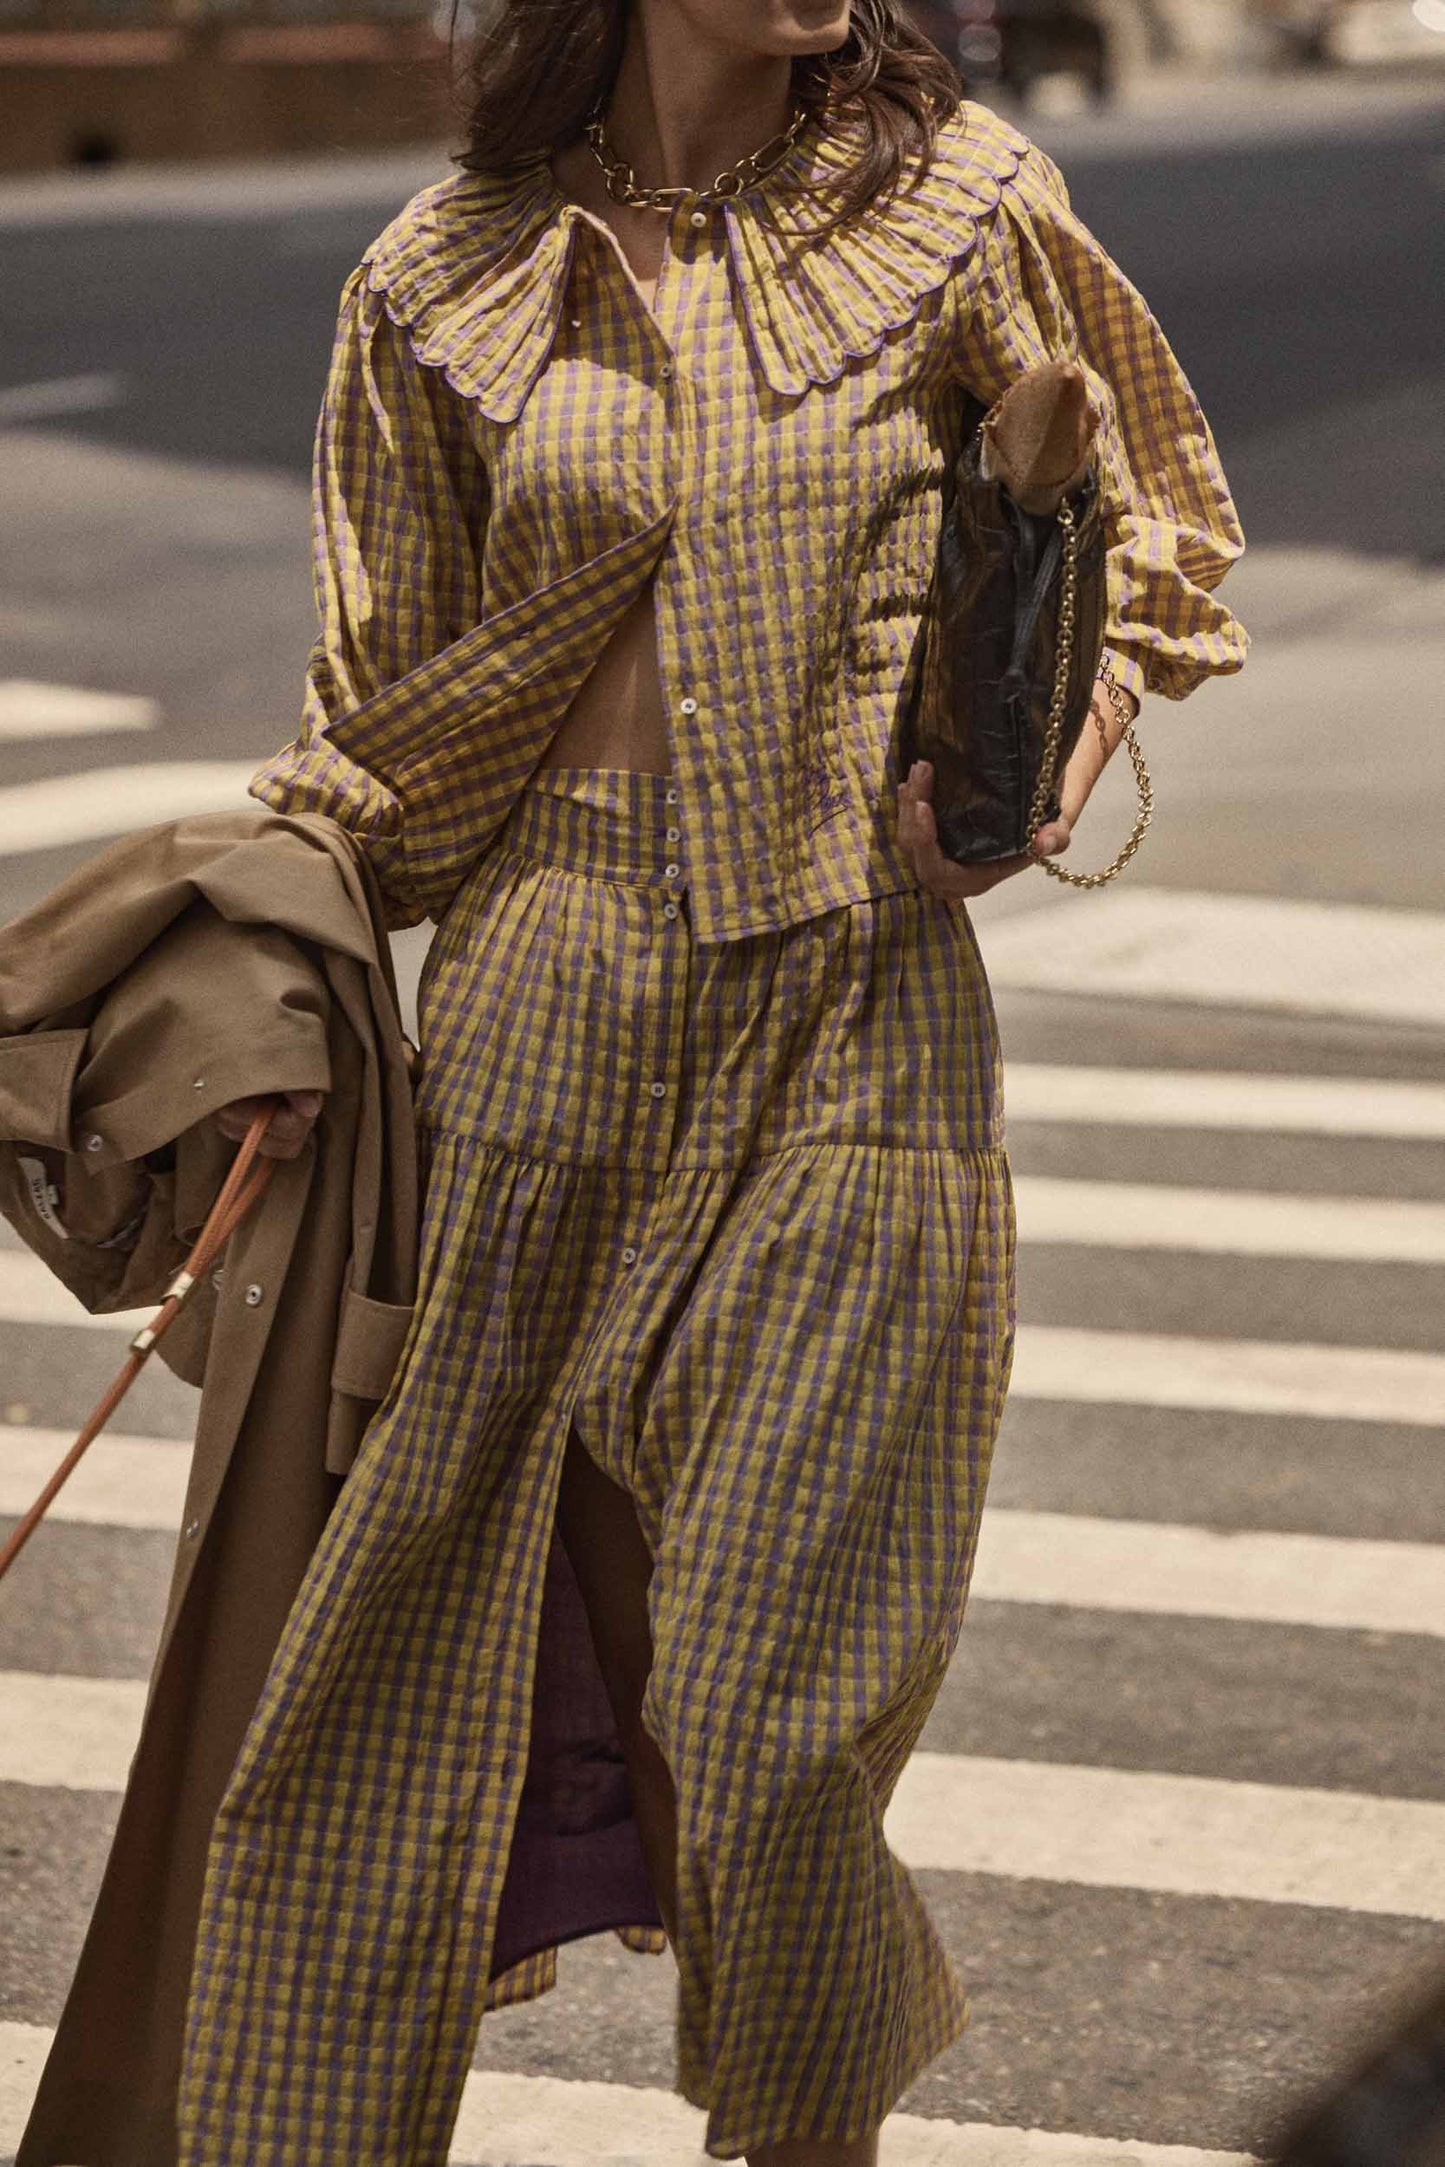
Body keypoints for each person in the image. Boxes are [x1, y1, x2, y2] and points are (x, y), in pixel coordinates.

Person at [191, 3, 1248, 2163]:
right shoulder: (439, 278)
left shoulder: (963, 214)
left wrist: (1041, 749)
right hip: (530, 1025)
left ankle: (802, 2135)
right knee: (383, 1711)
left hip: (850, 1019)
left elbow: (1153, 531)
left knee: (776, 1723)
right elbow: (380, 709)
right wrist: (268, 1017)